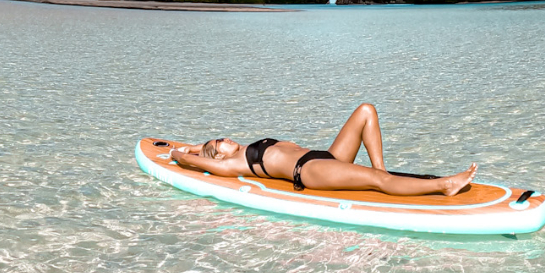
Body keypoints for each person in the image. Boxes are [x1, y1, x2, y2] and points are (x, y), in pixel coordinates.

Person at [168, 102, 477, 197]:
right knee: (376, 181)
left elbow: (201, 150)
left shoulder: (243, 147)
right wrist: (178, 154)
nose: (225, 138)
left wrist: (196, 145)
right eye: (219, 142)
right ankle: (444, 185)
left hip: (325, 157)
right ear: (219, 155)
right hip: (309, 171)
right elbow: (195, 161)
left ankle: (382, 171)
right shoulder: (231, 165)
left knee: (366, 111)